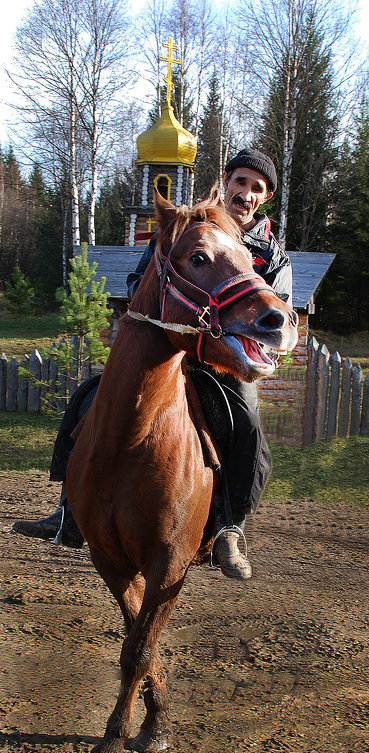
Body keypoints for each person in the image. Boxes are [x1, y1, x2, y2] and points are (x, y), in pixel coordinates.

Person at [13, 148, 294, 580]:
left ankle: (227, 527)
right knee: (91, 398)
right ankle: (69, 509)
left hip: (223, 358)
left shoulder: (272, 255)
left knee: (249, 423)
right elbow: (141, 279)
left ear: (265, 199)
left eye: (257, 188)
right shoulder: (186, 225)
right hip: (167, 345)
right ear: (226, 179)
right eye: (240, 182)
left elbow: (277, 305)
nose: (246, 193)